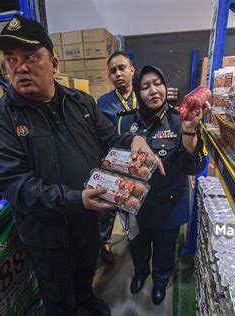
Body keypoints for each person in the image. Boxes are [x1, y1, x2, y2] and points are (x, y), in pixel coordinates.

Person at [0, 16, 163, 316]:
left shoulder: (80, 102)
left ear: (52, 63)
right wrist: (75, 199)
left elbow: (109, 138)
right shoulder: (1, 119)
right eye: (11, 60)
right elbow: (14, 184)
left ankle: (87, 302)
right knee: (58, 298)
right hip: (47, 234)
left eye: (30, 57)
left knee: (84, 278)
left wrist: (134, 142)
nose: (20, 67)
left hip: (87, 220)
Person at [118, 65, 208, 305]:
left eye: (157, 83)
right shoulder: (125, 123)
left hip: (168, 205)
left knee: (164, 250)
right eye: (145, 86)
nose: (153, 90)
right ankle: (140, 274)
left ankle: (159, 281)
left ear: (165, 87)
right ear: (137, 92)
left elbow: (193, 168)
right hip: (133, 205)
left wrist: (189, 133)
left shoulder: (180, 120)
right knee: (137, 247)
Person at [96, 51, 138, 264]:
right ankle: (104, 242)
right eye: (113, 71)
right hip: (113, 163)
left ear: (132, 69)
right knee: (108, 208)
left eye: (122, 68)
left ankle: (135, 239)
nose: (118, 74)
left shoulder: (145, 96)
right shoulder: (103, 103)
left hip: (139, 165)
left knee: (134, 204)